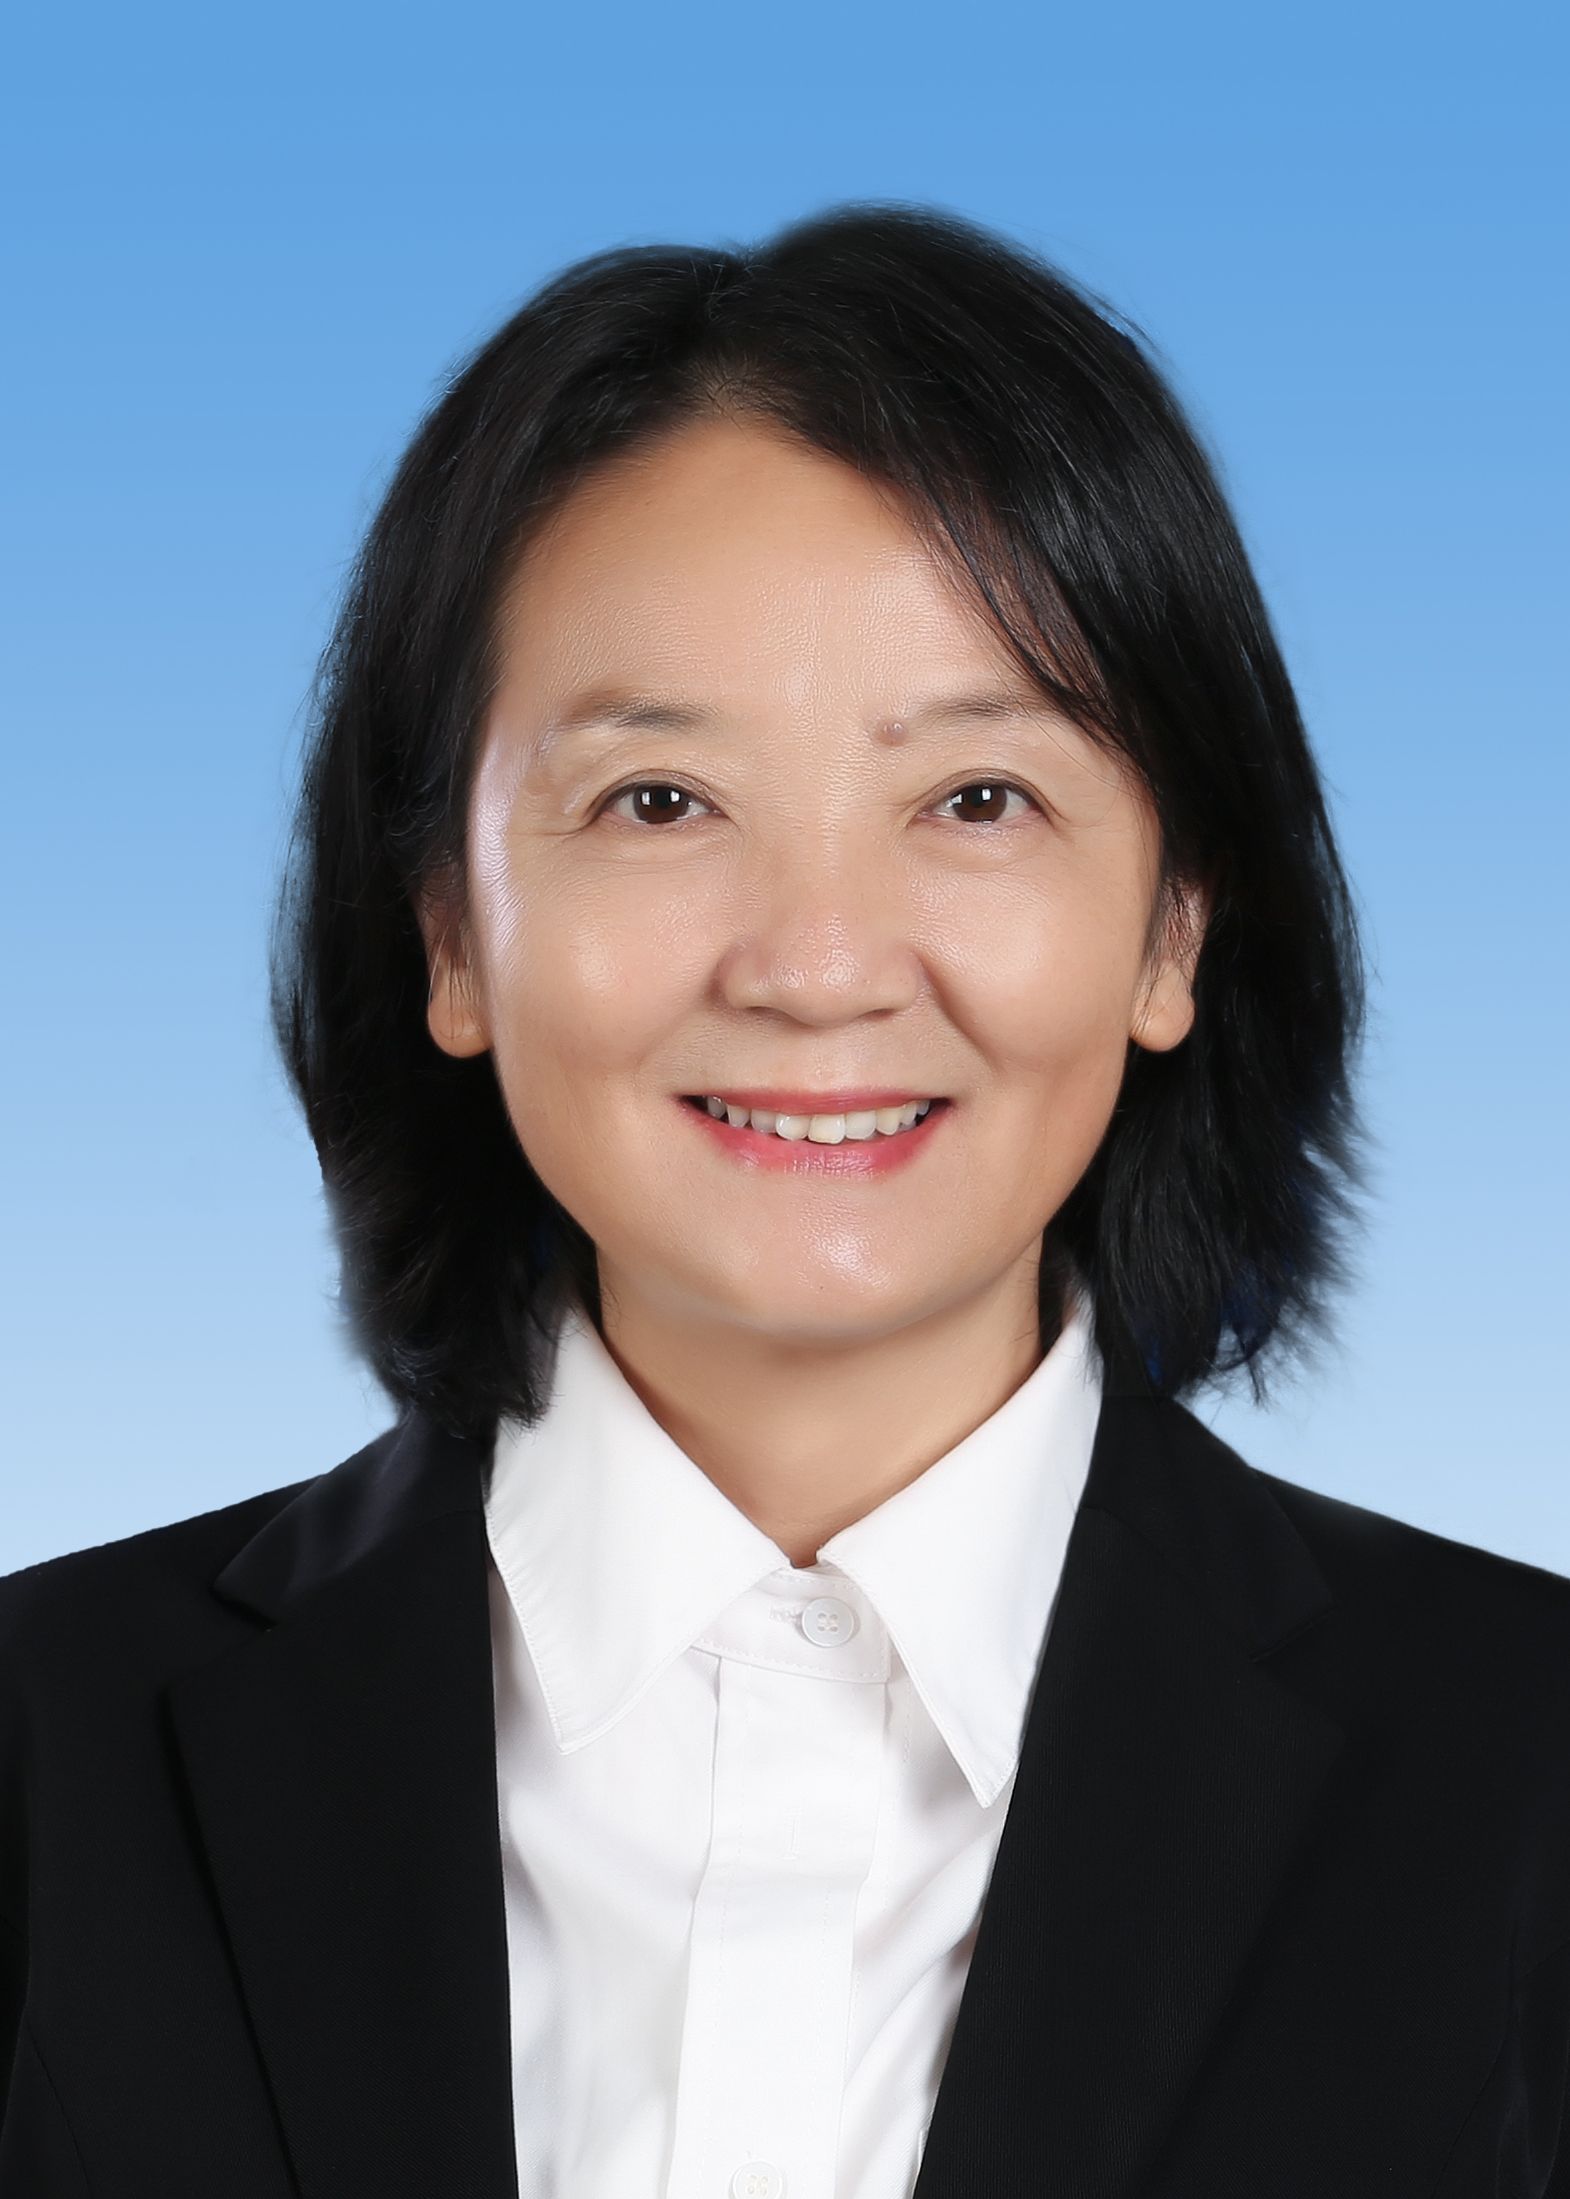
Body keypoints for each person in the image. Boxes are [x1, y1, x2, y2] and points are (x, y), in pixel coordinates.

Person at [1, 201, 1566, 2198]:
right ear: (448, 932)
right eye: (658, 801)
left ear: (1174, 924)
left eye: (975, 799)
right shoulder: (45, 1749)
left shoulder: (1523, 1767)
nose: (818, 966)